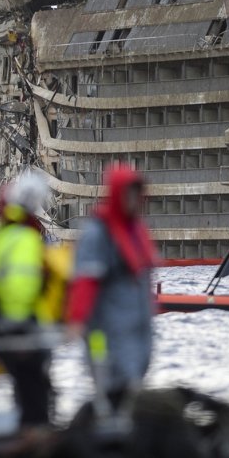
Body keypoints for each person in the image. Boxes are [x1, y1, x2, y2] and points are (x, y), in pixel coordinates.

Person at [66, 165, 158, 411]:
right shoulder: (98, 234)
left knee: (133, 382)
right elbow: (86, 280)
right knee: (110, 381)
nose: (133, 201)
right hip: (106, 330)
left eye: (136, 194)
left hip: (137, 329)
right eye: (128, 194)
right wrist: (76, 319)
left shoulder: (137, 231)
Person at [0, 171, 53, 432]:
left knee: (26, 388)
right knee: (34, 388)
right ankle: (33, 437)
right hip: (23, 325)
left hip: (4, 323)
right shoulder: (25, 237)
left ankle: (26, 431)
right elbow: (25, 284)